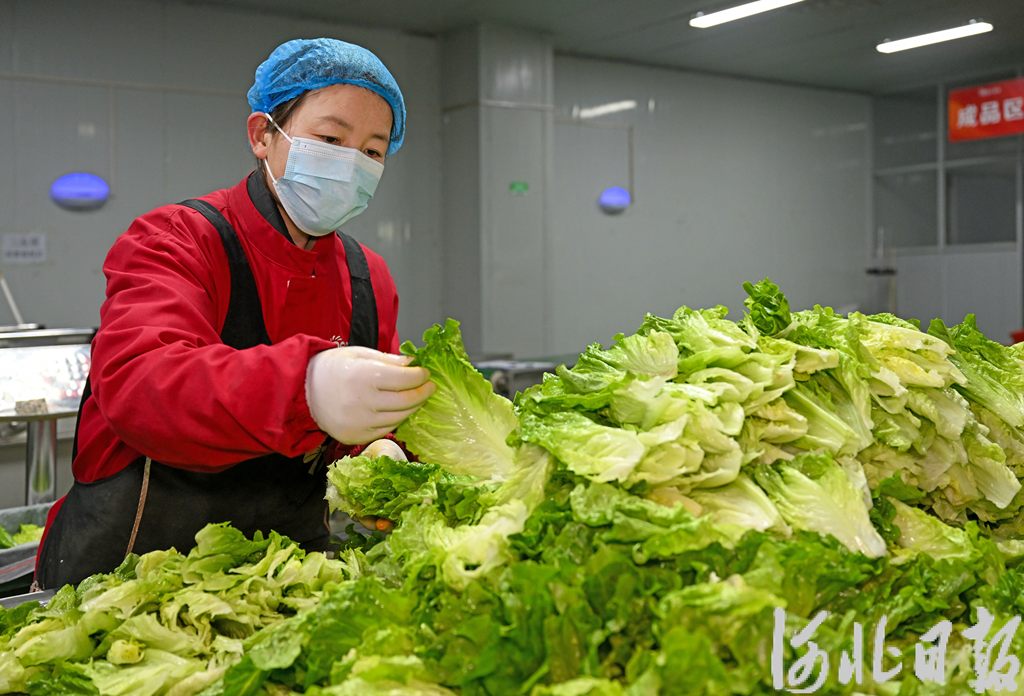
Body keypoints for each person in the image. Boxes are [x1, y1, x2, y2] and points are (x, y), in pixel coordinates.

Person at [34, 38, 434, 589]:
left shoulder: (369, 278)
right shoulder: (178, 239)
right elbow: (141, 384)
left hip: (284, 580)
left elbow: (366, 415)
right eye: (330, 139)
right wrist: (305, 387)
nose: (351, 164)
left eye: (372, 151)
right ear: (262, 135)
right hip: (129, 581)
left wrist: (379, 448)